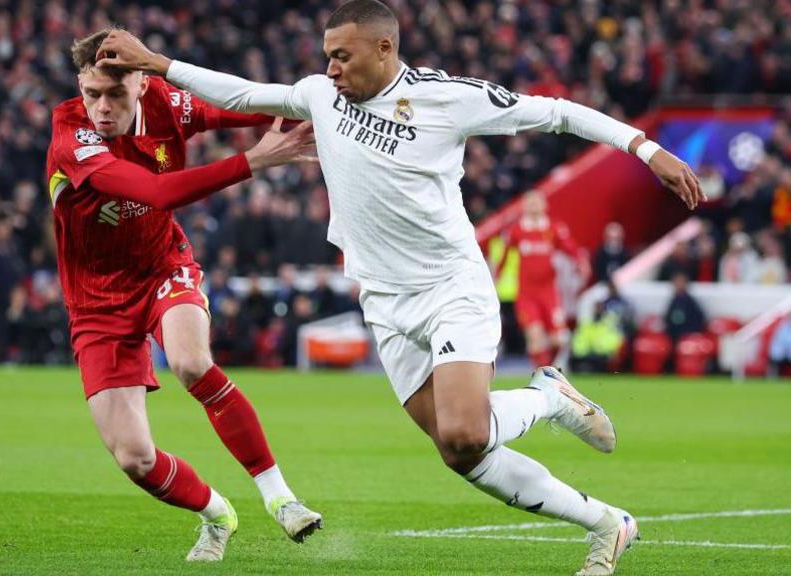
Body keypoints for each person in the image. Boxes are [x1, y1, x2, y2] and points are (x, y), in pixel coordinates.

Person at [98, 1, 705, 572]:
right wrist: (157, 63)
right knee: (459, 453)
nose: (330, 67)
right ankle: (606, 522)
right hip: (385, 303)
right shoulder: (320, 95)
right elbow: (244, 91)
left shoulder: (448, 99)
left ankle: (548, 397)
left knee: (468, 428)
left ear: (384, 48)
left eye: (343, 55)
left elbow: (557, 112)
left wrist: (647, 149)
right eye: (327, 55)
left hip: (451, 288)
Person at [46, 29, 321, 562]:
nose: (102, 107)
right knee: (133, 458)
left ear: (142, 82)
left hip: (161, 267)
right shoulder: (71, 135)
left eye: (115, 95)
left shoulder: (166, 101)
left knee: (192, 361)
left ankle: (280, 498)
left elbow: (246, 108)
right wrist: (255, 162)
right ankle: (217, 514)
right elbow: (155, 191)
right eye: (92, 93)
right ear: (80, 85)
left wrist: (325, 109)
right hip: (95, 303)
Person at [496, 190, 590, 368]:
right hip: (526, 294)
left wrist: (581, 263)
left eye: (536, 202)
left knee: (559, 340)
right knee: (535, 337)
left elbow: (571, 248)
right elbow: (505, 256)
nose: (533, 206)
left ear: (544, 205)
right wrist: (498, 274)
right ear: (524, 206)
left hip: (549, 293)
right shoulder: (516, 230)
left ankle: (548, 370)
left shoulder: (553, 228)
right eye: (529, 202)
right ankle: (542, 377)